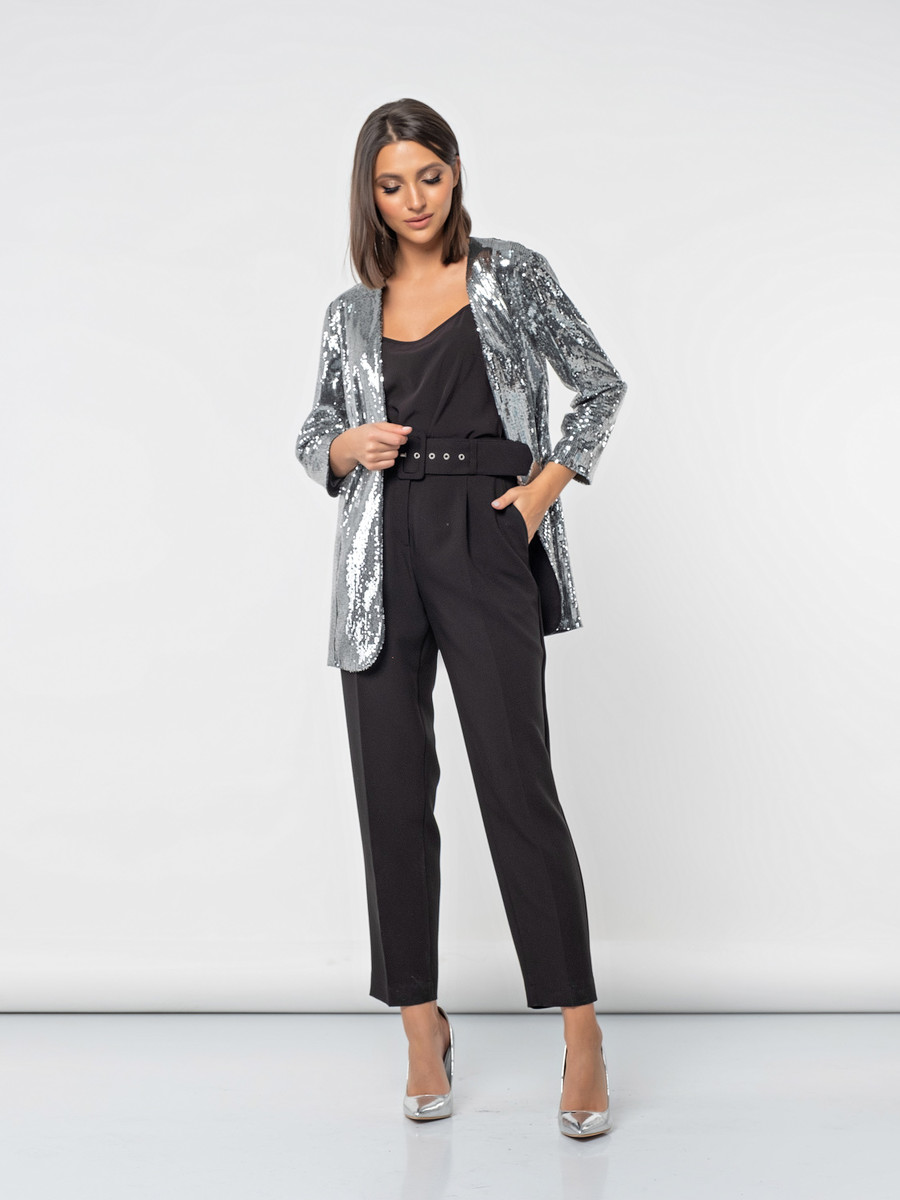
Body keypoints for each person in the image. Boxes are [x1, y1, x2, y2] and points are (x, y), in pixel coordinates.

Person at [295, 98, 627, 1138]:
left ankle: (581, 1032)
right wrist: (343, 448)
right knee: (391, 795)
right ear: (370, 193)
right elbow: (314, 428)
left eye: (428, 177)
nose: (414, 200)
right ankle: (420, 1024)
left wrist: (539, 496)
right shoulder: (350, 312)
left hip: (486, 533)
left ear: (454, 172)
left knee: (516, 785)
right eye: (391, 184)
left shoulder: (510, 272)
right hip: (379, 551)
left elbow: (599, 388)